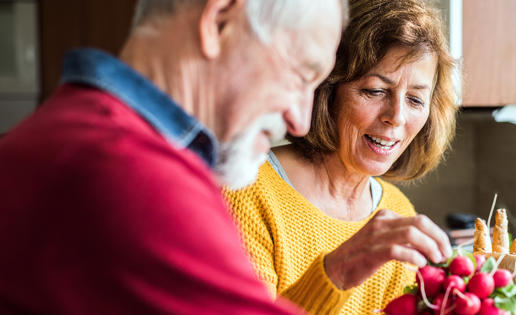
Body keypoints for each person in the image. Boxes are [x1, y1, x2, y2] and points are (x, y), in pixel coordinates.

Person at [0, 0, 346, 313]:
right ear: (219, 22)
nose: (300, 121)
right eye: (302, 76)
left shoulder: (70, 129)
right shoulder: (133, 173)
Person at [224, 0, 458, 314]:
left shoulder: (398, 212)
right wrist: (336, 273)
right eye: (375, 91)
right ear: (326, 89)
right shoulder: (246, 191)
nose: (396, 117)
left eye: (415, 99)